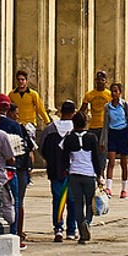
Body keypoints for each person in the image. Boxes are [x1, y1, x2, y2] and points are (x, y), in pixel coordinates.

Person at [0, 94, 34, 247]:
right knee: (14, 202)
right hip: (12, 170)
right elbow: (20, 151)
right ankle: (14, 233)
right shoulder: (14, 127)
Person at [62, 111, 105, 244]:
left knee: (77, 204)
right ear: (86, 123)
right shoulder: (92, 138)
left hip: (74, 174)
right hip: (89, 174)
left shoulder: (69, 139)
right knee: (90, 203)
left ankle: (81, 231)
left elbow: (64, 159)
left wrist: (66, 171)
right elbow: (96, 158)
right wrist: (99, 175)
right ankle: (87, 222)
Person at [40, 100, 79, 243]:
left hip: (55, 169)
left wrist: (51, 160)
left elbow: (42, 148)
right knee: (72, 200)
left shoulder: (50, 129)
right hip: (72, 170)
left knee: (57, 199)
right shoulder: (76, 130)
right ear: (73, 113)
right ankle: (71, 229)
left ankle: (58, 228)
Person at [104, 82, 128, 198]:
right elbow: (105, 124)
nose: (114, 93)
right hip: (112, 134)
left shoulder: (125, 105)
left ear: (120, 93)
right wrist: (103, 141)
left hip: (124, 134)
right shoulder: (107, 107)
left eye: (116, 91)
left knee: (124, 162)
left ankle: (124, 189)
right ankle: (108, 188)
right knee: (111, 161)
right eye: (112, 91)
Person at [81, 72, 111, 147]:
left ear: (106, 81)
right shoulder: (89, 94)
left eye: (102, 80)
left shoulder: (109, 94)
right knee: (92, 148)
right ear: (95, 80)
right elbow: (82, 109)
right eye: (98, 80)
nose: (100, 82)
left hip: (104, 126)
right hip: (92, 125)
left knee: (103, 148)